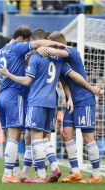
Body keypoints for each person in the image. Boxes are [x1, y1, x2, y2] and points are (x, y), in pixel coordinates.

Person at [0, 43, 100, 183]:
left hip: (40, 102)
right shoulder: (59, 61)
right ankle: (64, 169)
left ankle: (41, 175)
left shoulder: (41, 56)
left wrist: (8, 75)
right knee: (56, 135)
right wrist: (70, 97)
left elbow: (27, 81)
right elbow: (69, 78)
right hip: (53, 102)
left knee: (35, 137)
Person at [0, 25, 68, 183]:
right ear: (21, 39)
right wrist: (60, 46)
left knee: (14, 138)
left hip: (1, 95)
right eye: (26, 42)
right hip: (16, 95)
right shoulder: (18, 48)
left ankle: (16, 171)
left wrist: (4, 80)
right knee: (18, 138)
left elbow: (0, 77)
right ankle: (9, 174)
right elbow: (36, 44)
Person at [39, 31, 103, 183]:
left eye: (51, 44)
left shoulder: (71, 52)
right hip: (73, 102)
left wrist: (92, 89)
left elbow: (75, 76)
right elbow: (64, 80)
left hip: (85, 98)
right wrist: (69, 98)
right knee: (66, 133)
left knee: (88, 137)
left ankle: (96, 175)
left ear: (58, 44)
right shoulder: (59, 62)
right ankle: (76, 171)